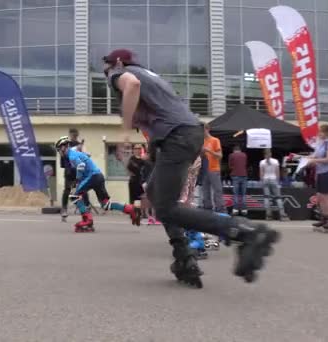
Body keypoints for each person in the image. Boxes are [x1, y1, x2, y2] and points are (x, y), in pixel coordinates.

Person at [102, 48, 279, 286]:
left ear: (119, 63)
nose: (106, 74)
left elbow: (131, 85)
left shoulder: (123, 74)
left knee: (166, 208)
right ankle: (183, 256)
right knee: (156, 194)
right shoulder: (152, 77)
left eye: (108, 68)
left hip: (178, 137)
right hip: (187, 135)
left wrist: (123, 132)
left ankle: (244, 231)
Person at [55, 136, 140, 232]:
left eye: (59, 150)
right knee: (105, 204)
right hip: (98, 176)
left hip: (92, 177)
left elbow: (81, 166)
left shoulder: (72, 155)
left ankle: (88, 220)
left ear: (63, 147)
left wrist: (77, 182)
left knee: (73, 195)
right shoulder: (74, 153)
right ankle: (130, 209)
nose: (59, 153)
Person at [307, 124, 328, 232]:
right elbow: (315, 157)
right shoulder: (320, 144)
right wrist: (309, 160)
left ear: (326, 133)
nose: (319, 134)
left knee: (326, 197)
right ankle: (324, 218)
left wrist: (314, 161)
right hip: (320, 172)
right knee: (320, 196)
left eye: (321, 132)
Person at [60, 128, 89, 218]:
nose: (73, 137)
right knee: (67, 190)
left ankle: (86, 207)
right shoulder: (65, 145)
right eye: (72, 135)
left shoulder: (80, 145)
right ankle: (64, 208)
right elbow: (63, 157)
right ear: (70, 135)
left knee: (83, 189)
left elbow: (85, 156)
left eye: (75, 135)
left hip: (78, 170)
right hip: (69, 171)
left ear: (77, 135)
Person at [259, 149, 288, 221]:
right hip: (273, 179)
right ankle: (282, 215)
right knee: (278, 197)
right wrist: (278, 181)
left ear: (264, 154)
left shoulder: (262, 162)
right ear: (270, 154)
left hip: (265, 180)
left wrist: (262, 181)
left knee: (266, 198)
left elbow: (261, 173)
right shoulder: (275, 161)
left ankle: (268, 215)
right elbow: (277, 172)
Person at [203, 124, 225, 213]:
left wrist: (209, 150)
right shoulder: (201, 141)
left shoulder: (215, 140)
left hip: (214, 169)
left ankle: (220, 210)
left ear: (208, 129)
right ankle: (207, 210)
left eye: (202, 130)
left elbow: (220, 156)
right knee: (205, 191)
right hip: (204, 170)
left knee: (217, 190)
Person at [229, 145, 248, 216]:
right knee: (243, 194)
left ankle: (235, 210)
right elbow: (245, 164)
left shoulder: (231, 155)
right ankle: (244, 210)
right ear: (240, 150)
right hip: (244, 175)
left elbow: (230, 165)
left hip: (235, 175)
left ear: (234, 150)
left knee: (236, 193)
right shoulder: (244, 155)